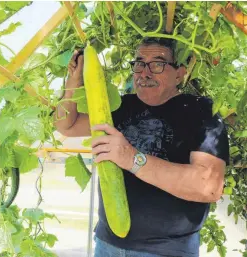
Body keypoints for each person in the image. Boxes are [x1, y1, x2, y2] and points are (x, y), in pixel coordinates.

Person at [53, 37, 229, 257]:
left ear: (180, 73)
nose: (145, 73)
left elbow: (209, 186)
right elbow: (65, 125)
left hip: (166, 251)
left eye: (157, 64)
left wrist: (131, 158)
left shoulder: (202, 111)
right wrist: (75, 78)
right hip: (107, 244)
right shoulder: (120, 106)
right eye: (139, 63)